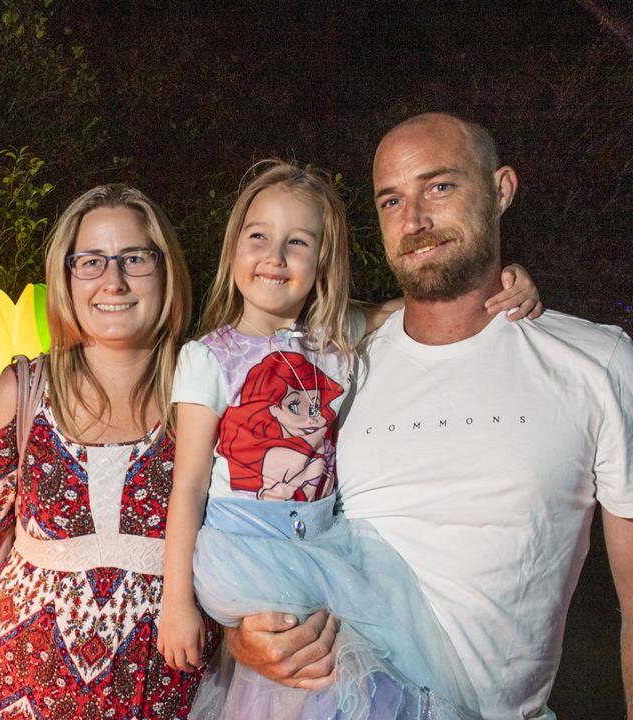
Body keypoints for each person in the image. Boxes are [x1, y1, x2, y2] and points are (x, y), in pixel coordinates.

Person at [226, 113, 633, 720]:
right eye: (392, 200)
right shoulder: (334, 372)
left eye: (439, 187)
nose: (413, 220)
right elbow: (263, 525)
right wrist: (245, 636)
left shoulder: (595, 364)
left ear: (501, 190)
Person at [158, 161, 540, 719]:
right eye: (258, 236)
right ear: (234, 247)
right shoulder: (208, 358)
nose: (275, 256)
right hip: (245, 547)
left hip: (320, 543)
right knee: (314, 668)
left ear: (322, 261)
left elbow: (422, 305)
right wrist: (176, 603)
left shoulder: (335, 341)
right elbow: (188, 486)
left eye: (298, 242)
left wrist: (509, 281)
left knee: (341, 672)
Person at [0, 184, 212, 719]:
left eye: (134, 258)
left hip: (173, 698)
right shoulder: (22, 392)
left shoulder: (204, 394)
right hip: (25, 699)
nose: (114, 280)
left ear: (165, 269)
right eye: (90, 261)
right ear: (65, 278)